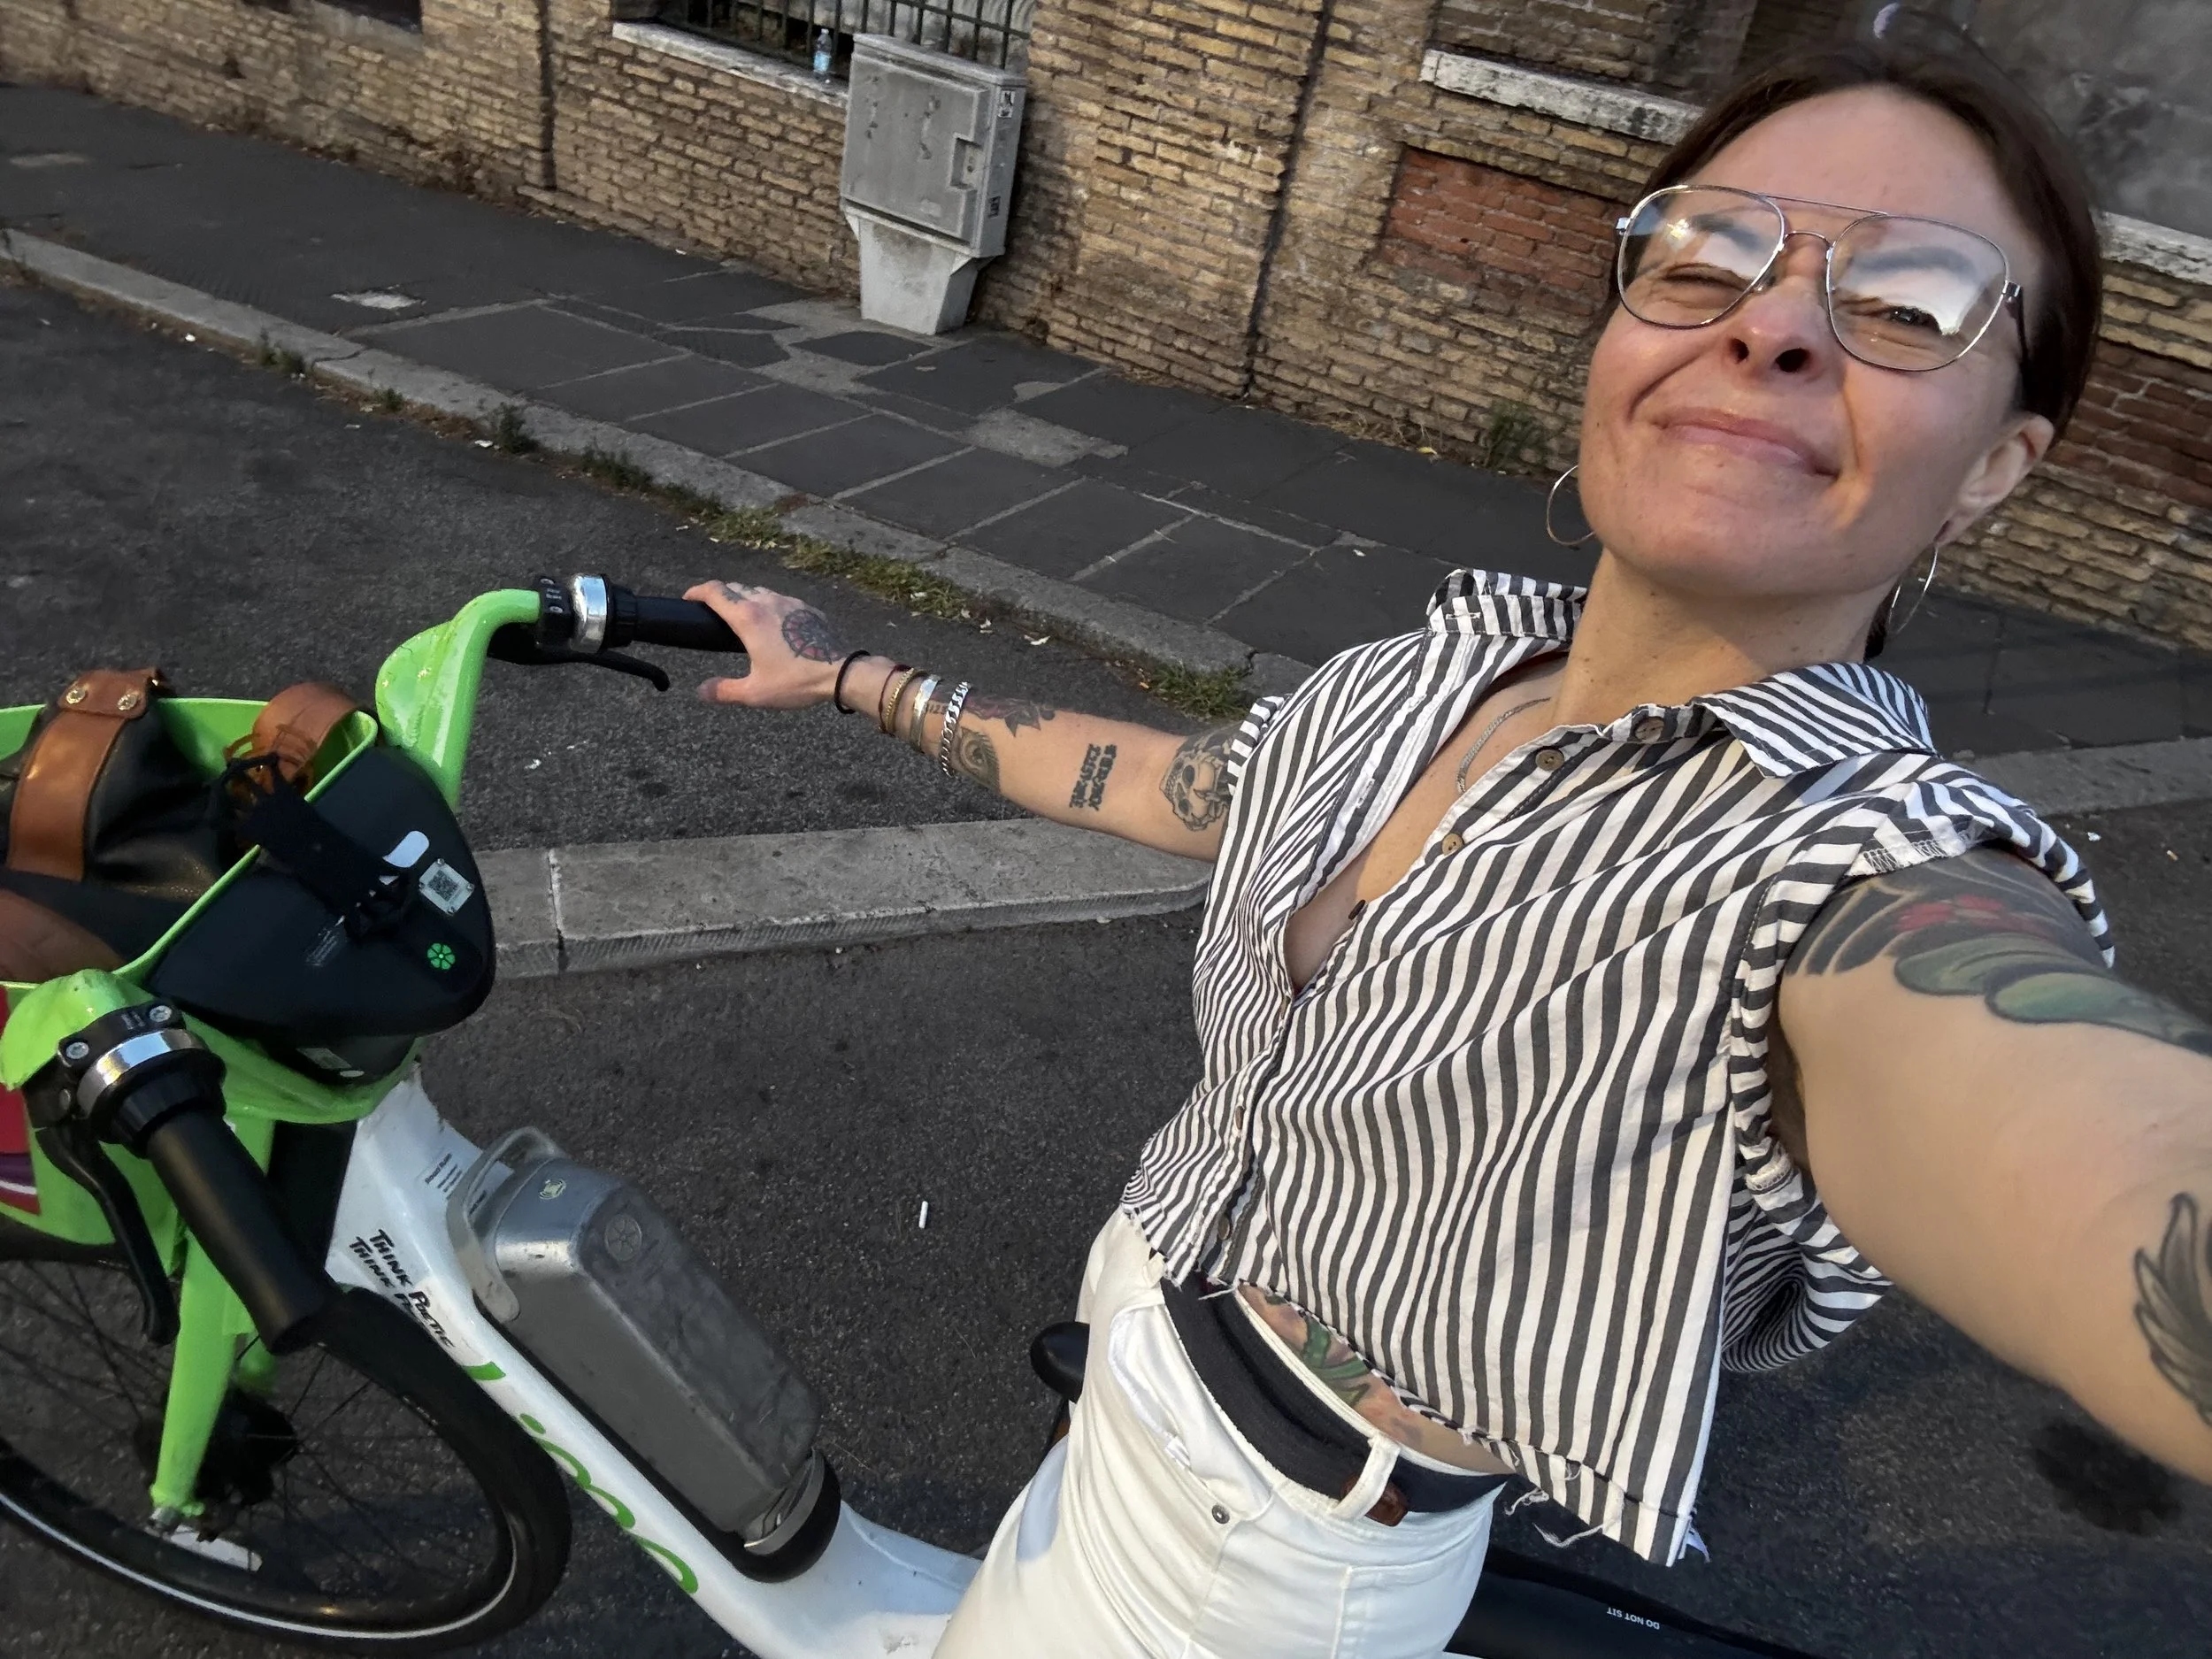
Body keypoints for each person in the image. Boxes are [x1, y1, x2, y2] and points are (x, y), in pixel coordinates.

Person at [682, 38, 2212, 1659]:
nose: (1771, 321)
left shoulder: (1847, 863)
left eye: (1908, 304)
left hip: (1262, 1567)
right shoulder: (1432, 674)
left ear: (1995, 461)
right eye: (1708, 254)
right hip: (1149, 1308)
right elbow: (1173, 782)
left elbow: (2084, 1146)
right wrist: (856, 679)